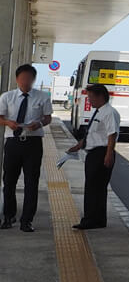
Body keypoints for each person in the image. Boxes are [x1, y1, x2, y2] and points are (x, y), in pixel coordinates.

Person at [1, 63, 54, 232]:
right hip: (12, 143)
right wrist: (8, 122)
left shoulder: (43, 96)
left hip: (33, 144)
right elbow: (0, 117)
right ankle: (9, 216)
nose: (25, 82)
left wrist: (38, 123)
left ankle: (27, 220)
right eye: (22, 78)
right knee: (9, 181)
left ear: (34, 79)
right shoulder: (6, 97)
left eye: (29, 78)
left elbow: (48, 118)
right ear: (17, 79)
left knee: (32, 182)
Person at [66, 83, 120, 230]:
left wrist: (109, 154)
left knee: (93, 188)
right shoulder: (99, 112)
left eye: (90, 97)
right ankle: (98, 220)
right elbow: (94, 133)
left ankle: (90, 220)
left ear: (100, 96)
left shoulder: (109, 112)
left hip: (101, 153)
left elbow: (112, 134)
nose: (89, 100)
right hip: (94, 153)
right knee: (96, 188)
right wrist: (78, 145)